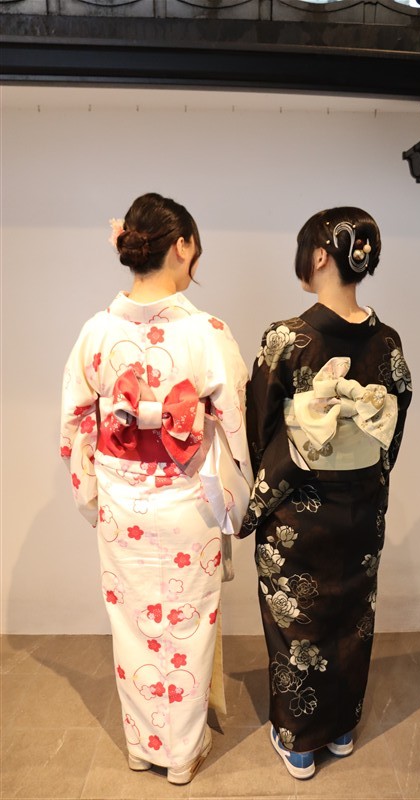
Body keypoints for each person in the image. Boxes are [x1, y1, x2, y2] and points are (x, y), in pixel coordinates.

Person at [60, 193, 252, 784]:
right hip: (189, 501)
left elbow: (74, 424)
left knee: (132, 625)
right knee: (188, 625)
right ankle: (181, 754)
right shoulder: (208, 333)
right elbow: (236, 427)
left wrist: (92, 495)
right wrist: (237, 501)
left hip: (123, 505)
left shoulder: (95, 332)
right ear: (182, 246)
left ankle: (142, 746)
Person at [238, 206, 412, 779]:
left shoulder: (286, 338)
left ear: (318, 256)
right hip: (361, 507)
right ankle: (340, 729)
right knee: (352, 615)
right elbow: (393, 428)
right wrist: (364, 477)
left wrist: (272, 476)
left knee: (297, 623)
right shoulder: (387, 341)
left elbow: (260, 424)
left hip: (297, 509)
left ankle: (300, 741)